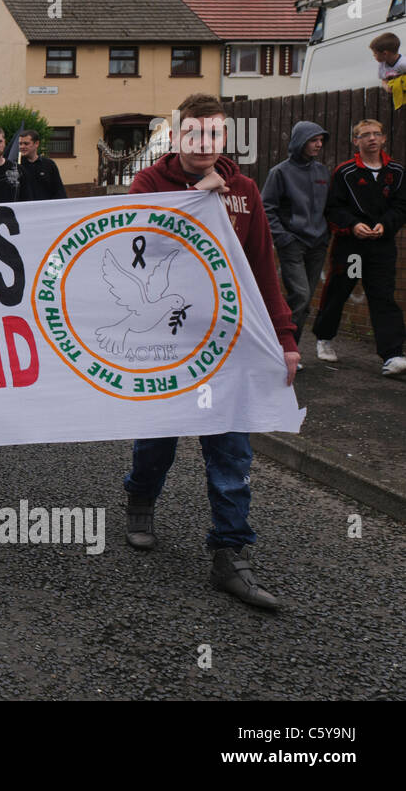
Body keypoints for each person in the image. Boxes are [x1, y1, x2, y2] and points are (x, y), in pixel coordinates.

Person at [122, 94, 299, 610]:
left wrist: (285, 339)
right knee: (158, 439)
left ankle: (232, 555)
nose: (204, 144)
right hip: (165, 341)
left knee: (231, 449)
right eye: (194, 133)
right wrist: (196, 200)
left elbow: (263, 269)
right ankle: (140, 496)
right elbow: (139, 252)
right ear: (177, 136)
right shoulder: (149, 185)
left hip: (228, 344)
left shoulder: (244, 190)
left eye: (214, 134)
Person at [312, 119, 406, 376]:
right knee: (340, 290)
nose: (372, 139)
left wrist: (385, 226)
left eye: (377, 134)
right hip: (352, 249)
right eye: (365, 135)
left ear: (384, 139)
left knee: (383, 296)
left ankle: (392, 354)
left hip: (382, 248)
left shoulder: (396, 172)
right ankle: (324, 337)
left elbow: (401, 207)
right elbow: (333, 208)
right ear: (356, 141)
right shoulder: (346, 172)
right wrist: (353, 225)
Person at [261, 121, 331, 353]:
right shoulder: (279, 172)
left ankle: (290, 349)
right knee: (300, 296)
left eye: (321, 140)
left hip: (318, 243)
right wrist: (283, 238)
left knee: (305, 299)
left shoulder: (322, 172)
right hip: (292, 243)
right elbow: (266, 208)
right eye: (314, 140)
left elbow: (329, 206)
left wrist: (326, 234)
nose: (319, 144)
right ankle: (283, 348)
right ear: (300, 142)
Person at [17, 129, 67, 201]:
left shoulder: (49, 164)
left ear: (36, 143)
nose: (22, 147)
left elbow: (59, 191)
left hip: (46, 210)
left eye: (26, 143)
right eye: (20, 143)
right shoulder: (15, 165)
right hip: (24, 210)